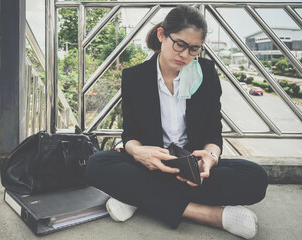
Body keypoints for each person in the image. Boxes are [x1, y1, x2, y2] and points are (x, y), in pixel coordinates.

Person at [86, 6, 268, 239]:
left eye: (194, 49)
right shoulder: (135, 77)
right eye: (180, 44)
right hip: (149, 165)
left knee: (255, 178)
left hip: (190, 169)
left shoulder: (206, 73)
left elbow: (213, 131)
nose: (185, 55)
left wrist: (210, 158)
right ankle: (209, 214)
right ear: (162, 35)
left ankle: (138, 198)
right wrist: (139, 152)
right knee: (96, 164)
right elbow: (129, 133)